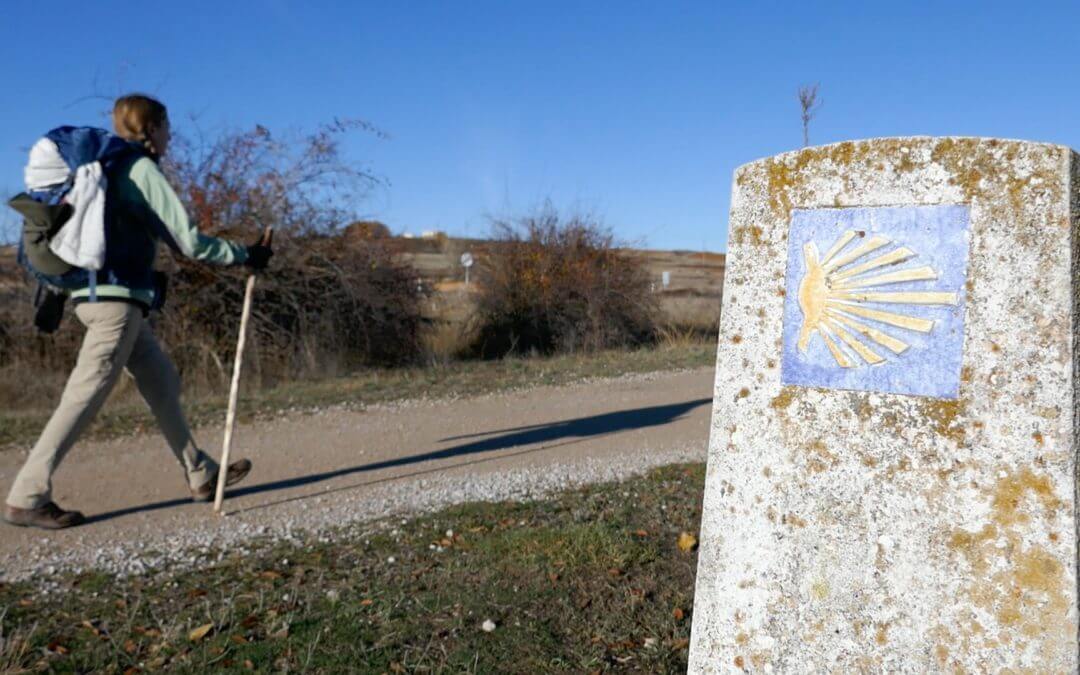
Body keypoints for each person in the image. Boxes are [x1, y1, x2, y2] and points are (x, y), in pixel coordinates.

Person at [3, 94, 273, 529]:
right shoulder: (139, 168)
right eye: (167, 127)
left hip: (99, 298)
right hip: (115, 303)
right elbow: (188, 240)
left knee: (161, 380)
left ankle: (200, 472)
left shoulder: (105, 169)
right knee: (85, 393)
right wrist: (246, 254)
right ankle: (26, 495)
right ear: (152, 128)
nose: (171, 136)